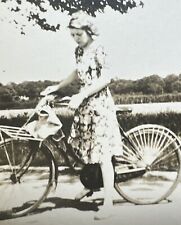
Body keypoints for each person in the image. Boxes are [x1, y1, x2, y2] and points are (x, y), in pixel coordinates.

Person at [41, 10, 123, 220]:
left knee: (103, 155)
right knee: (87, 151)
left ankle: (109, 204)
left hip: (100, 105)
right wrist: (57, 86)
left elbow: (107, 78)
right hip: (85, 105)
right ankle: (91, 186)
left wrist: (83, 94)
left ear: (88, 31)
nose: (76, 39)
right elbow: (77, 73)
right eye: (73, 35)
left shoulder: (99, 49)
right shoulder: (79, 51)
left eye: (79, 34)